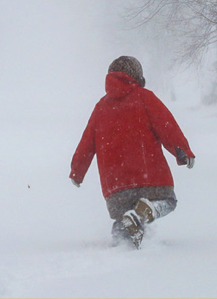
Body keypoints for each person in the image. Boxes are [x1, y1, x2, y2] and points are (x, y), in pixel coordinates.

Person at [69, 56, 195, 248]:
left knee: (123, 218)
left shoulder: (101, 107)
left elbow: (86, 143)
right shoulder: (144, 97)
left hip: (116, 186)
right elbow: (166, 126)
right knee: (168, 201)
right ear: (137, 76)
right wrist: (183, 151)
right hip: (149, 177)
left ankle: (123, 244)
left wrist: (77, 172)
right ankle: (146, 211)